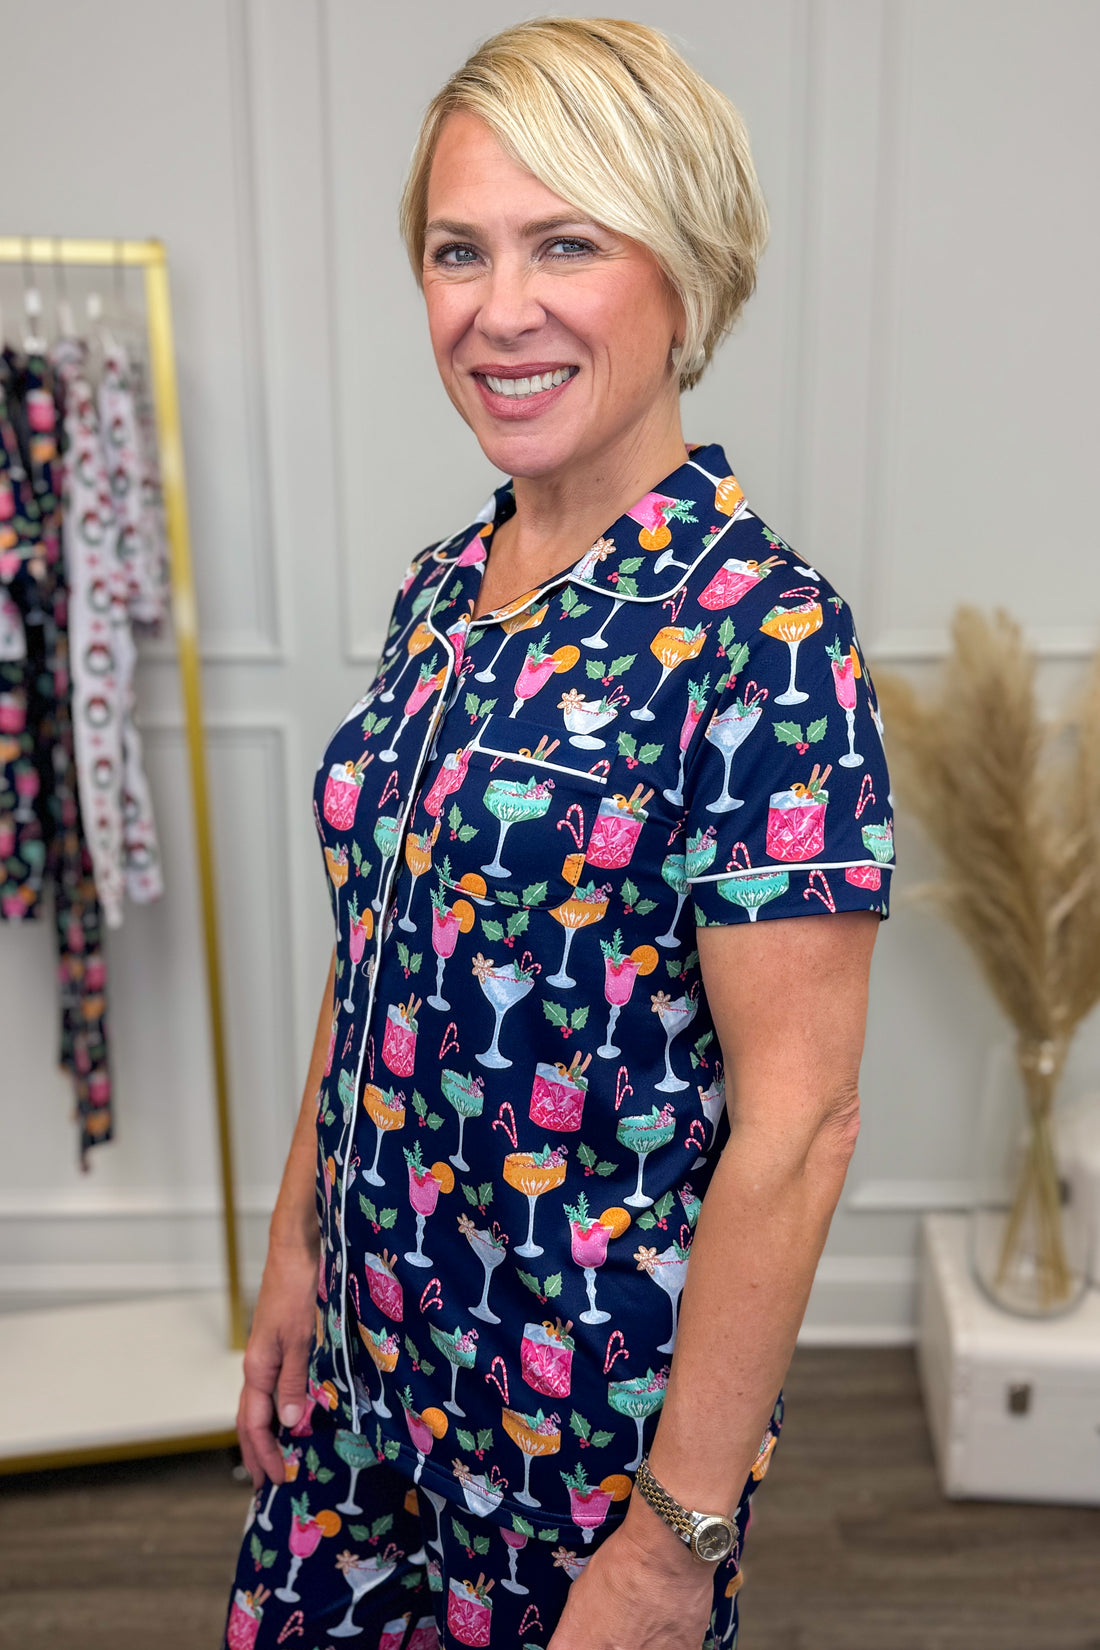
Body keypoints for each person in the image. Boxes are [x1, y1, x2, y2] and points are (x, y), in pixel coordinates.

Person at [224, 17, 894, 1649]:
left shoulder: (768, 638)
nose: (497, 308)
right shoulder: (446, 585)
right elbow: (375, 934)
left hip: (574, 1440)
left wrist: (672, 1544)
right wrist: (296, 1242)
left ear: (685, 272)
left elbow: (799, 1126)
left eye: (566, 244)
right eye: (459, 251)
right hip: (373, 1379)